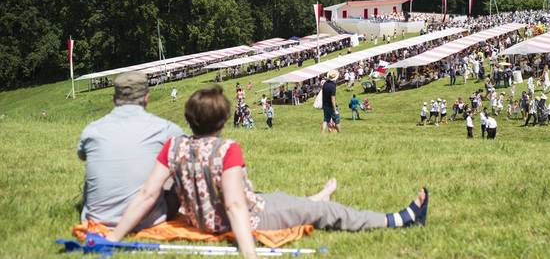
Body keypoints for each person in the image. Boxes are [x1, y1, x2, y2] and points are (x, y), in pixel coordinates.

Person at [106, 87, 429, 259]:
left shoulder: (173, 146)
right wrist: (250, 252)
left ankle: (312, 199)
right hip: (249, 218)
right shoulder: (227, 149)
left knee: (279, 198)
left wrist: (112, 238)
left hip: (202, 218)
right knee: (326, 212)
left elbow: (148, 194)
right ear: (222, 120)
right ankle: (401, 219)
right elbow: (234, 205)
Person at [77, 72, 184, 229]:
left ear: (114, 99)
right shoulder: (166, 129)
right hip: (148, 219)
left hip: (97, 219)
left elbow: (82, 155)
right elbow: (190, 152)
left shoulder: (92, 130)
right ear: (146, 98)